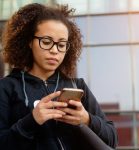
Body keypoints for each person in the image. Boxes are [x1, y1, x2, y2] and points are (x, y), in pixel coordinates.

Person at [0, 3, 117, 150]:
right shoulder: (7, 87)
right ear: (29, 42)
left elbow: (112, 139)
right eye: (47, 42)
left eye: (61, 45)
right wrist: (32, 121)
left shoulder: (78, 86)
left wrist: (86, 119)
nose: (54, 50)